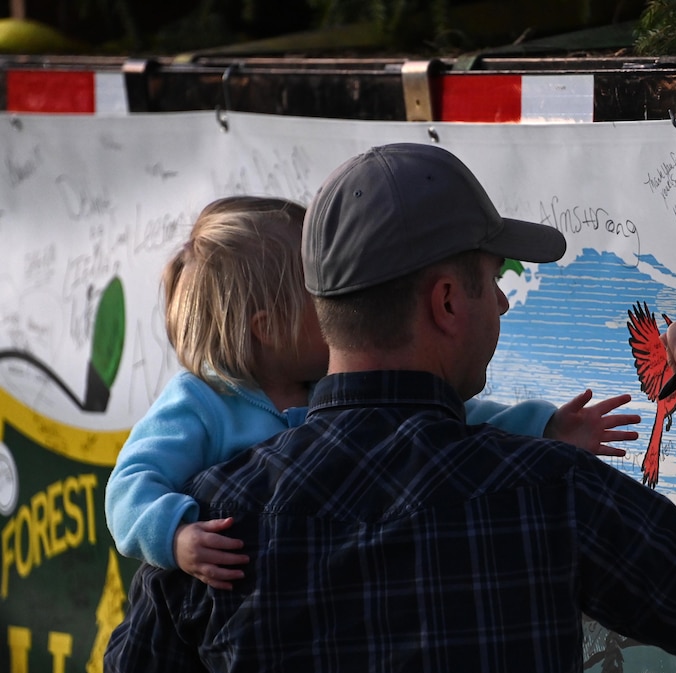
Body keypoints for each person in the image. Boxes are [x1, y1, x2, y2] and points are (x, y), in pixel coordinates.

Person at [93, 143, 676, 673]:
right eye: (494, 280)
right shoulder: (544, 493)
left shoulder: (212, 520)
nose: (505, 306)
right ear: (446, 300)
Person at [105, 195, 640, 589]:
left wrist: (544, 427)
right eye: (318, 294)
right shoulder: (198, 404)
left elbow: (457, 419)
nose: (338, 302)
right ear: (267, 328)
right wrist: (175, 536)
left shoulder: (326, 389)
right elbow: (129, 485)